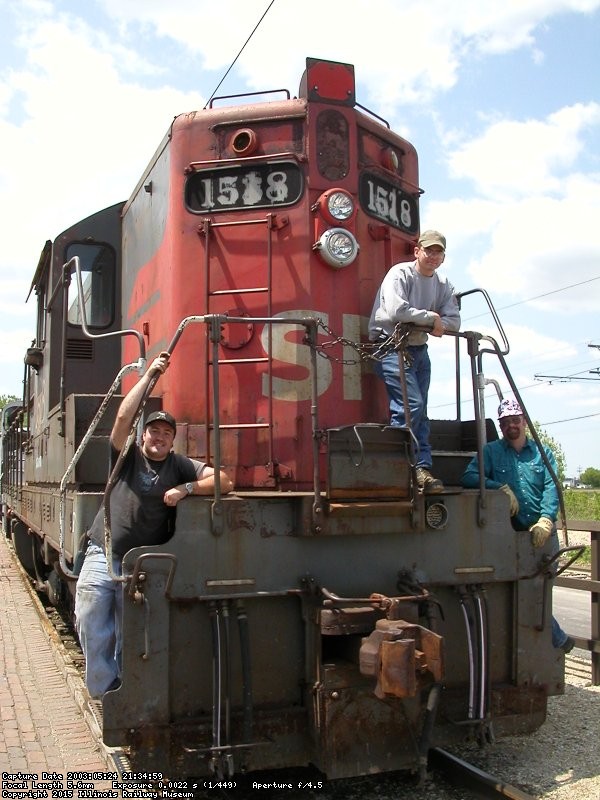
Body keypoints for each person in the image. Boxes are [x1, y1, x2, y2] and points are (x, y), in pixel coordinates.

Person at [74, 353, 233, 697]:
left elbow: (225, 480)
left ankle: (123, 691)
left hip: (139, 562)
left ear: (172, 440)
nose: (159, 437)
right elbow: (120, 418)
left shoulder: (179, 465)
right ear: (143, 435)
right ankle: (103, 693)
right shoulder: (126, 456)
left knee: (130, 629)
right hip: (103, 553)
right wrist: (148, 378)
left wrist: (187, 488)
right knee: (91, 621)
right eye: (153, 430)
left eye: (166, 432)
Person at [461, 398, 574, 654]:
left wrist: (546, 519)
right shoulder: (490, 452)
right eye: (505, 422)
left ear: (523, 421)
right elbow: (469, 476)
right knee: (520, 593)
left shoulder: (543, 453)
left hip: (543, 535)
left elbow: (551, 486)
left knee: (540, 592)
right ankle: (553, 642)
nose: (511, 426)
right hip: (511, 536)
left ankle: (545, 646)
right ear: (500, 426)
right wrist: (498, 488)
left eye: (515, 420)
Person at [368, 229, 460, 493]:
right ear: (417, 250)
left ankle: (421, 468)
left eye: (438, 252)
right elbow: (397, 311)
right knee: (411, 407)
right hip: (390, 347)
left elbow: (454, 322)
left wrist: (423, 321)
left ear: (443, 257)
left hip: (419, 351)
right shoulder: (399, 274)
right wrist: (432, 319)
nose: (433, 256)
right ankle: (402, 468)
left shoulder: (443, 286)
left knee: (421, 410)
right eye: (428, 250)